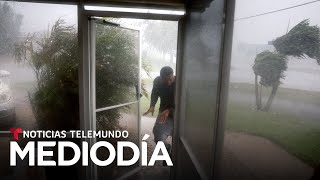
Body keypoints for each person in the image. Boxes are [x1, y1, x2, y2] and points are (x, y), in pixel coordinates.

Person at [143, 66, 175, 159]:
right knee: (158, 137)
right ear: (161, 78)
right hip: (163, 115)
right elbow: (155, 93)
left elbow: (185, 102)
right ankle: (167, 150)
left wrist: (170, 110)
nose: (168, 82)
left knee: (180, 141)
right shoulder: (157, 81)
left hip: (179, 115)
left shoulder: (179, 82)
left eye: (170, 79)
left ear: (173, 75)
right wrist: (152, 105)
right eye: (165, 80)